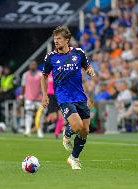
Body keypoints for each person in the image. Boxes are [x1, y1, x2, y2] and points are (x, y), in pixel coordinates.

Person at [41, 26, 95, 170]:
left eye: (59, 39)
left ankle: (73, 158)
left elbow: (87, 66)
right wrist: (45, 95)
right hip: (63, 96)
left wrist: (89, 70)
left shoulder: (79, 53)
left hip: (80, 95)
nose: (56, 41)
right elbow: (44, 76)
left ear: (67, 40)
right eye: (55, 39)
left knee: (85, 130)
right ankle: (67, 132)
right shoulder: (51, 57)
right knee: (77, 126)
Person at [21, 60, 44, 138]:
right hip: (28, 98)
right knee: (28, 114)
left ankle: (39, 130)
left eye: (34, 64)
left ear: (36, 66)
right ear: (29, 66)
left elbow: (43, 86)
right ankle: (27, 130)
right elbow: (23, 86)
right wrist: (22, 95)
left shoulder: (40, 74)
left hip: (38, 98)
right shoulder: (25, 75)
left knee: (39, 115)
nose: (32, 66)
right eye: (31, 64)